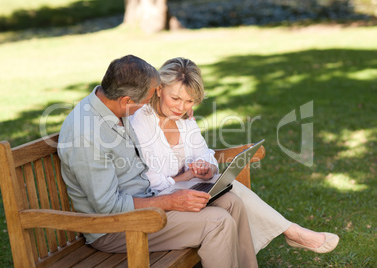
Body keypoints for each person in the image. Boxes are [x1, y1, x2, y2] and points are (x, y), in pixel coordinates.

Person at [57, 55, 258, 268]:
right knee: (218, 222)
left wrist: (181, 106)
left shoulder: (110, 101)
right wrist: (170, 202)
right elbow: (108, 207)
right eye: (148, 98)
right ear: (126, 101)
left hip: (147, 200)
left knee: (231, 203)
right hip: (115, 227)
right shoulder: (86, 136)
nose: (150, 103)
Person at [130, 57, 340, 254]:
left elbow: (206, 155)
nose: (181, 107)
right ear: (158, 90)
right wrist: (188, 177)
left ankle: (287, 234)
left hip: (190, 191)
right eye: (175, 98)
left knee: (231, 195)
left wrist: (206, 168)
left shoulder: (184, 118)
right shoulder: (140, 122)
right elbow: (153, 184)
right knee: (232, 196)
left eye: (189, 101)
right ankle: (292, 232)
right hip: (163, 203)